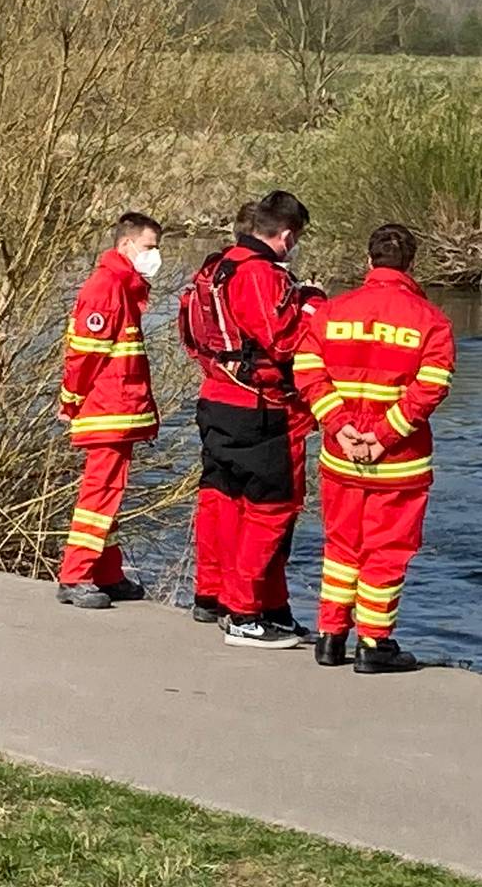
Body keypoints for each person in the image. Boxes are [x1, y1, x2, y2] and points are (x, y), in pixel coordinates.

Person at [291, 223, 456, 673]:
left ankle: (329, 636)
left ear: (368, 262)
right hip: (399, 461)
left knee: (342, 547)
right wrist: (383, 435)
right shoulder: (430, 320)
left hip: (339, 456)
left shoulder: (330, 312)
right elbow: (431, 388)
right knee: (386, 551)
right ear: (411, 265)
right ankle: (373, 642)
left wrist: (341, 427)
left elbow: (306, 371)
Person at [184, 192, 320, 648]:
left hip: (218, 396)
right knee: (271, 509)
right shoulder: (259, 274)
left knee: (221, 499)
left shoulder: (214, 268)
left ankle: (215, 595)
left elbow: (193, 333)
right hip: (258, 405)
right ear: (285, 234)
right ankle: (243, 612)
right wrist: (311, 308)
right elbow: (282, 342)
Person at [54, 212, 163, 609]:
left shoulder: (123, 286)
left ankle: (106, 572)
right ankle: (76, 575)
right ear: (126, 246)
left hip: (119, 408)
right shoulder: (107, 286)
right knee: (99, 495)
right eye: (150, 247)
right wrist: (71, 401)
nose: (155, 256)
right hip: (107, 409)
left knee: (110, 497)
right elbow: (84, 354)